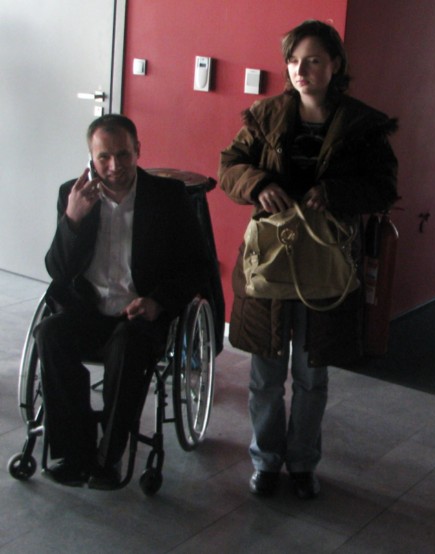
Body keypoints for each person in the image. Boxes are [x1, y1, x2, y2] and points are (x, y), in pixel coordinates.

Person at [218, 20, 398, 499]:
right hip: (270, 262)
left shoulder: (362, 125)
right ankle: (265, 461)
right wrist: (258, 183)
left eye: (313, 60)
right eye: (294, 61)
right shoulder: (266, 116)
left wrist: (334, 193)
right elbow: (230, 166)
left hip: (326, 263)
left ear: (335, 65)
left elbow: (383, 187)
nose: (301, 70)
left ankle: (301, 463)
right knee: (265, 374)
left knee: (311, 374)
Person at [35, 114, 210, 489]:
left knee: (128, 346)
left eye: (123, 155)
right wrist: (72, 219)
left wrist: (157, 302)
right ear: (91, 157)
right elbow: (58, 271)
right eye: (104, 157)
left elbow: (197, 267)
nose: (114, 166)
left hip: (138, 317)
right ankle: (72, 451)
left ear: (138, 151)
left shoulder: (166, 197)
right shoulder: (73, 194)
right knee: (49, 334)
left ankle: (108, 457)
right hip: (87, 310)